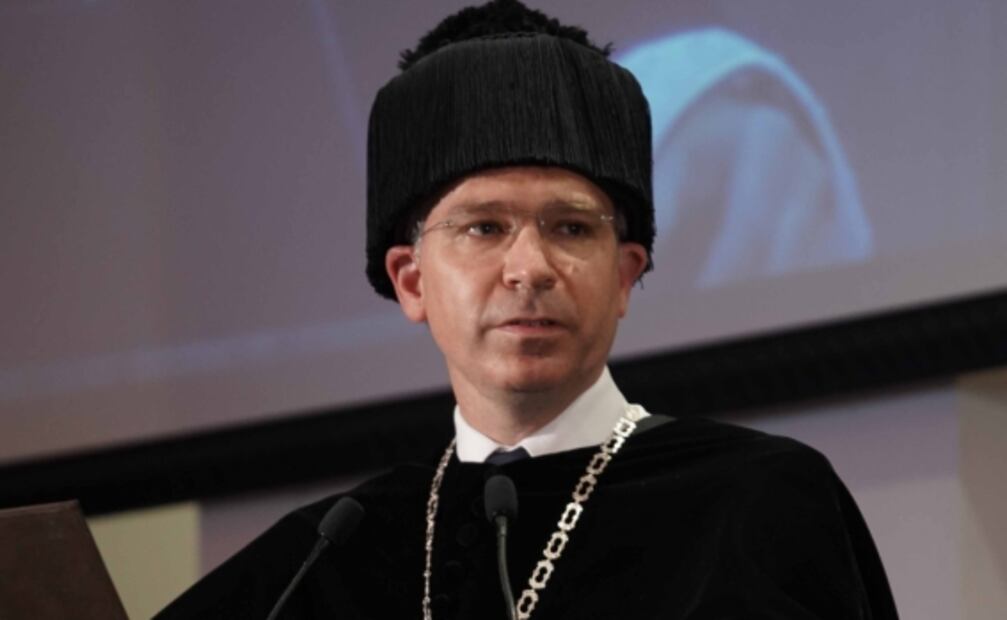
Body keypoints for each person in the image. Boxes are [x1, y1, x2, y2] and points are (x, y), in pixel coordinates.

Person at [156, 1, 898, 618]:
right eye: (484, 228)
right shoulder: (323, 556)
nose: (530, 268)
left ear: (624, 276)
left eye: (570, 228)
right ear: (411, 281)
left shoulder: (758, 503)